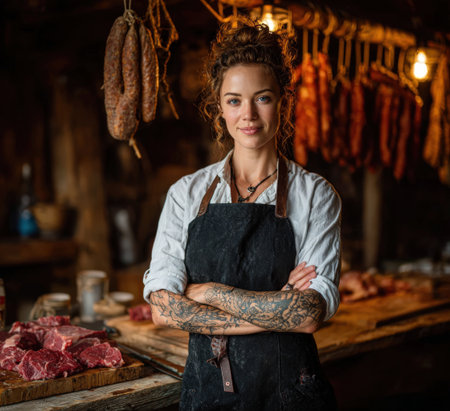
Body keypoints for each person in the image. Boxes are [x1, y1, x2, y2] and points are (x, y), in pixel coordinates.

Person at [143, 19, 341, 410]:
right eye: (234, 100)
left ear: (283, 100)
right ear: (219, 106)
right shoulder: (186, 194)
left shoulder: (316, 195)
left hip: (289, 395)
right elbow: (163, 310)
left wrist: (207, 293)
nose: (248, 114)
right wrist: (276, 306)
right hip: (206, 394)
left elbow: (306, 314)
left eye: (262, 97)